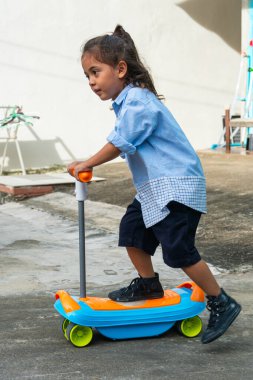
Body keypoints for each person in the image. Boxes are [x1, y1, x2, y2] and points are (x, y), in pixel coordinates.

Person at [68, 25, 241, 344]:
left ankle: (221, 301)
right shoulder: (126, 101)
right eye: (87, 76)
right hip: (156, 190)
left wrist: (87, 163)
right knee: (132, 231)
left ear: (120, 69)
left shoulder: (138, 101)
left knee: (178, 250)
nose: (91, 82)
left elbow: (120, 143)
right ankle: (148, 284)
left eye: (96, 72)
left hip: (177, 187)